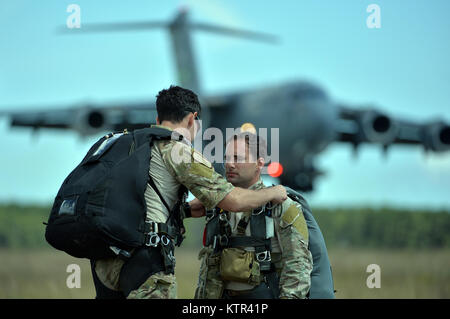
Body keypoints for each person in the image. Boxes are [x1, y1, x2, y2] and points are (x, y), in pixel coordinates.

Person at [90, 85, 288, 299]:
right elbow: (233, 200)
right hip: (143, 260)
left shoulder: (129, 143)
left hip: (105, 259)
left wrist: (182, 210)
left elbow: (139, 201)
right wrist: (274, 192)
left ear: (158, 118)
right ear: (193, 119)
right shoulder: (179, 151)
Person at [195, 132, 313, 299]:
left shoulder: (280, 206)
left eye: (237, 158)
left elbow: (298, 266)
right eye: (227, 157)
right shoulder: (219, 205)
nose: (229, 164)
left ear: (259, 163)